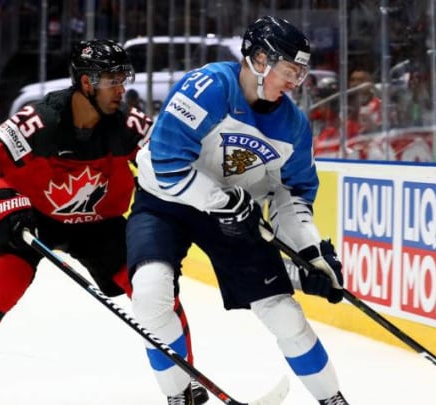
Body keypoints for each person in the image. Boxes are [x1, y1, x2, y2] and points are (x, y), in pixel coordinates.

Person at [0, 39, 208, 405]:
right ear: (86, 83)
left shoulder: (127, 124)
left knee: (154, 290)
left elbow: (169, 155)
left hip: (99, 223)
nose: (122, 89)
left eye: (124, 77)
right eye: (112, 80)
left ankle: (182, 378)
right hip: (32, 217)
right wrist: (3, 200)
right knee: (2, 283)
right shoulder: (39, 119)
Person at [126, 16, 349, 404]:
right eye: (289, 70)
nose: (295, 82)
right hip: (166, 201)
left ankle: (333, 400)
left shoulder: (293, 125)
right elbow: (167, 163)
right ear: (260, 60)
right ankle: (181, 396)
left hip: (232, 212)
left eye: (301, 73)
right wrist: (225, 202)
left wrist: (312, 253)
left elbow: (291, 194)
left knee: (284, 314)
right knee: (149, 295)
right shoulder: (208, 87)